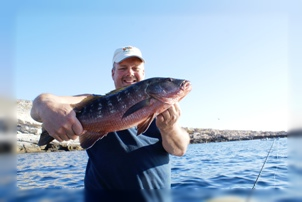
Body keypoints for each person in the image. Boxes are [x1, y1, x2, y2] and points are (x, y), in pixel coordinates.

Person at [30, 46, 190, 191]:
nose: (130, 73)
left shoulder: (165, 115)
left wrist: (169, 128)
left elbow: (179, 150)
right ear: (113, 73)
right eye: (122, 68)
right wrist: (44, 104)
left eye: (136, 68)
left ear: (144, 74)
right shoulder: (93, 101)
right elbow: (39, 106)